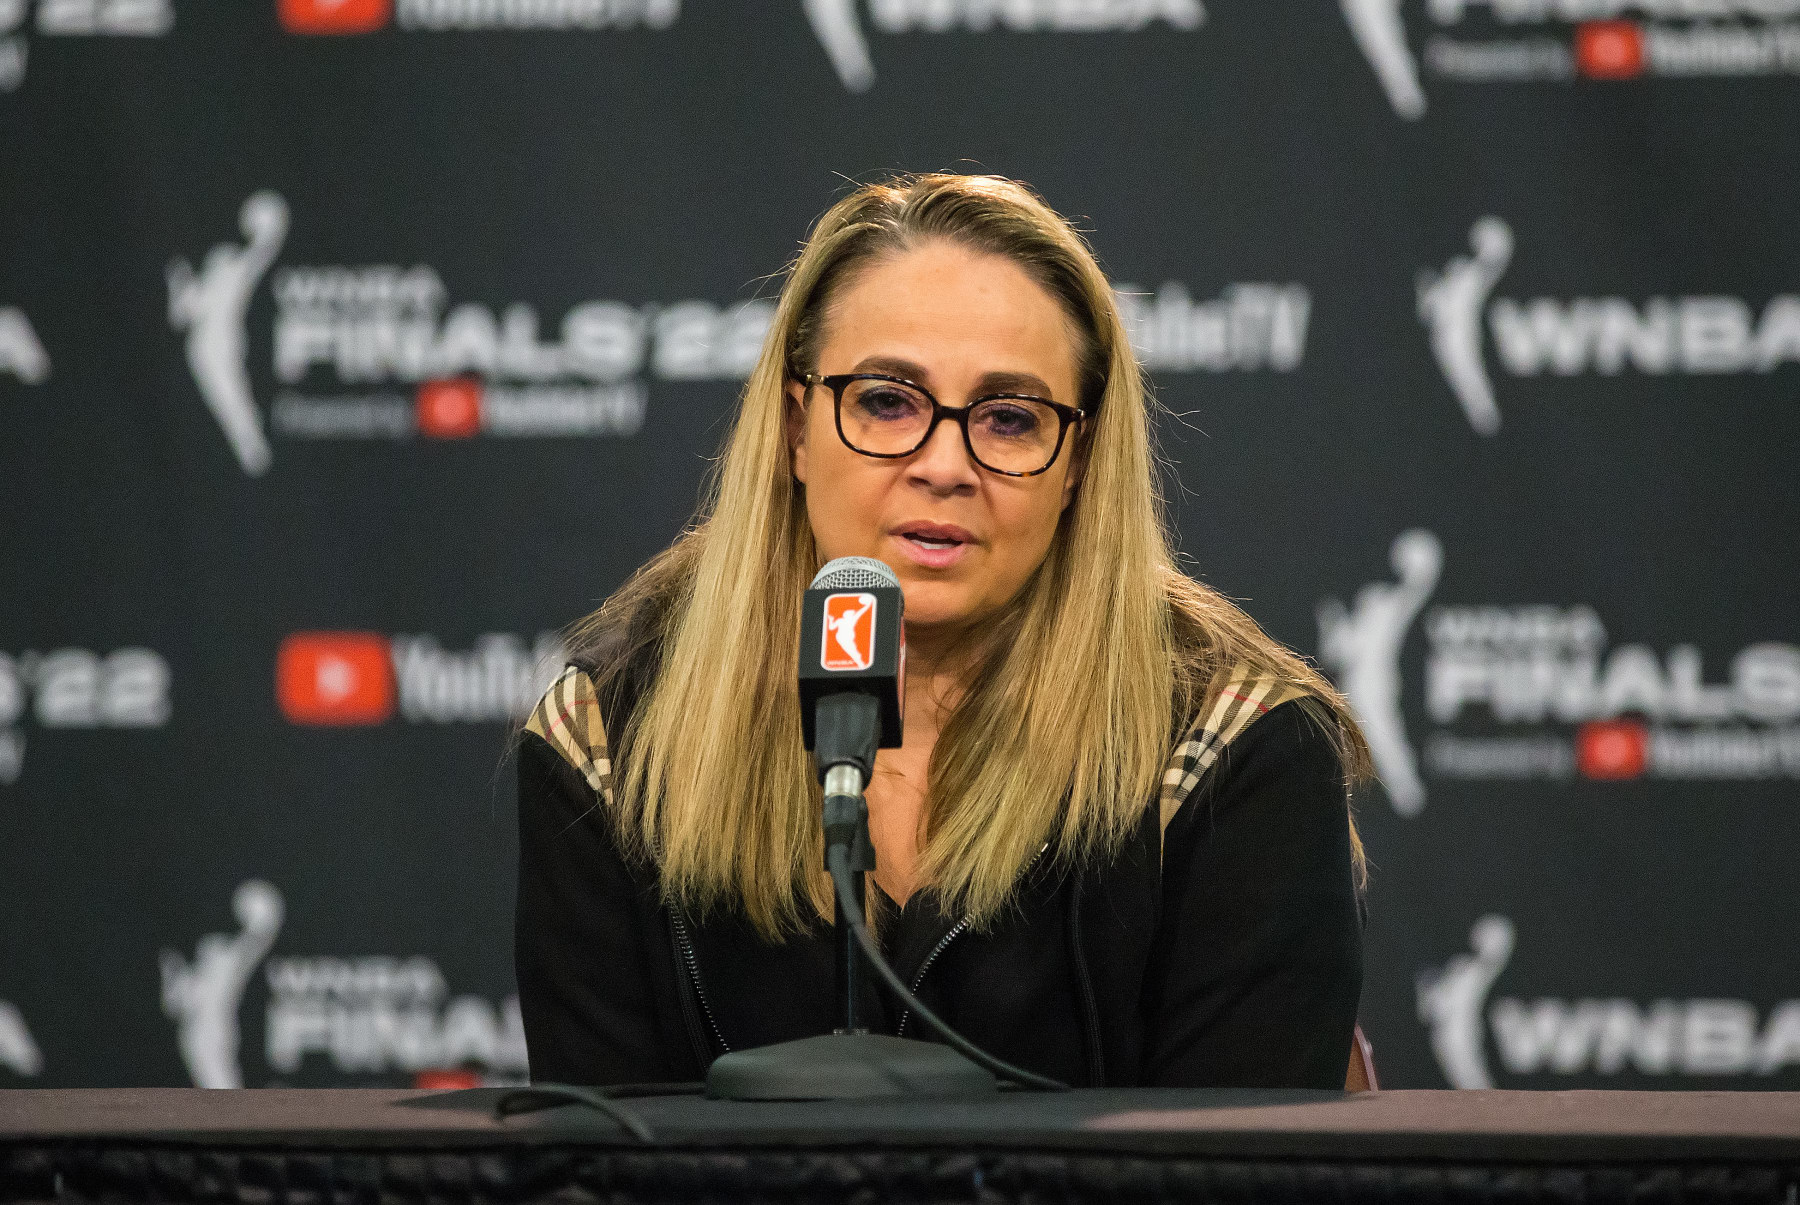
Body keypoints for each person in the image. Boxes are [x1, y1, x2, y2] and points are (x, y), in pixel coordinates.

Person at [515, 173, 1371, 1089]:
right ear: (797, 425)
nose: (944, 464)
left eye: (1009, 419)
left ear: (1077, 460)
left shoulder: (1235, 747)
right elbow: (599, 1159)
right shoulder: (611, 737)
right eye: (887, 401)